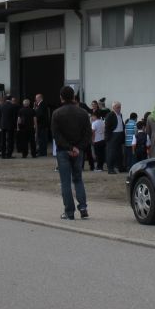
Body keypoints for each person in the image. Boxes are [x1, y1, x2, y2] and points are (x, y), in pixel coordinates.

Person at [51, 85, 91, 220]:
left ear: (61, 97)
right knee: (78, 179)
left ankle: (69, 212)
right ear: (73, 97)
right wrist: (77, 147)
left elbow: (56, 135)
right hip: (78, 151)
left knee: (66, 182)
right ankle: (83, 207)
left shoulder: (56, 113)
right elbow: (87, 134)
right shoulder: (83, 113)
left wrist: (69, 147)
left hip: (63, 151)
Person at [104, 101, 125, 174]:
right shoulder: (110, 115)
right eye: (118, 107)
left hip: (120, 134)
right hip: (113, 135)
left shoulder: (120, 115)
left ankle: (120, 167)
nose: (119, 109)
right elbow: (107, 127)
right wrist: (107, 137)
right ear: (113, 107)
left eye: (120, 107)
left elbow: (121, 124)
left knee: (119, 152)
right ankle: (110, 169)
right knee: (111, 153)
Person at [0, 95, 17, 159]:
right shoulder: (13, 106)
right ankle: (9, 154)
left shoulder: (1, 105)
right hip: (10, 125)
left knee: (2, 140)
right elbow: (14, 117)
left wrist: (0, 124)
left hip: (3, 125)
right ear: (11, 99)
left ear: (5, 99)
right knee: (10, 140)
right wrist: (15, 125)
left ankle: (3, 154)